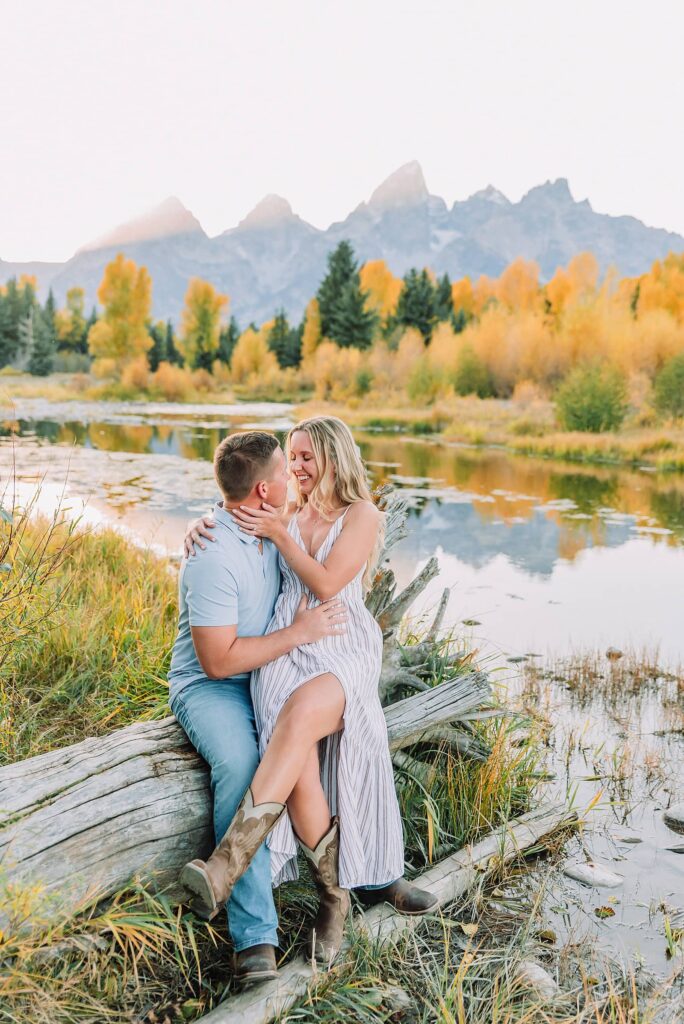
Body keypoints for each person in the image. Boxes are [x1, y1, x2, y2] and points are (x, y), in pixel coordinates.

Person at [180, 416, 437, 969]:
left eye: (305, 456)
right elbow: (235, 503)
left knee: (296, 723)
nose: (296, 466)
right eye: (291, 457)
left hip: (338, 647)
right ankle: (333, 897)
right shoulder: (286, 509)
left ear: (333, 456)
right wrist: (200, 526)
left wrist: (276, 533)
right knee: (295, 763)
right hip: (288, 650)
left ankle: (227, 864)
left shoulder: (362, 515)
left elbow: (326, 584)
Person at [168, 430, 347, 989]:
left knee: (307, 760)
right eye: (284, 472)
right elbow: (218, 663)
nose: (295, 479)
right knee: (245, 765)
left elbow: (330, 508)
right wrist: (298, 634)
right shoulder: (212, 553)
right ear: (265, 489)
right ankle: (254, 939)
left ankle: (343, 890)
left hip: (270, 677)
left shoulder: (272, 524)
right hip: (212, 687)